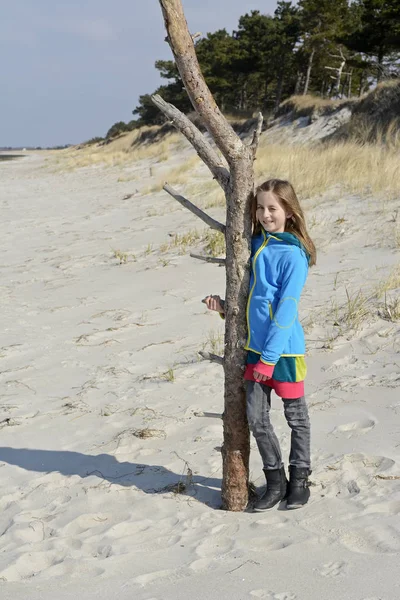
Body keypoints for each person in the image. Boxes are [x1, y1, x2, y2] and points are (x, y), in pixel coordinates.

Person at [204, 179, 316, 511]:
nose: (266, 215)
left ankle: (299, 479)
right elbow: (252, 298)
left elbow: (285, 310)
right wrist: (225, 307)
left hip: (284, 353)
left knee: (297, 418)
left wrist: (269, 359)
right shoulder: (253, 245)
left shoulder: (294, 255)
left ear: (289, 213)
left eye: (273, 208)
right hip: (254, 350)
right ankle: (276, 480)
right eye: (261, 208)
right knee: (257, 417)